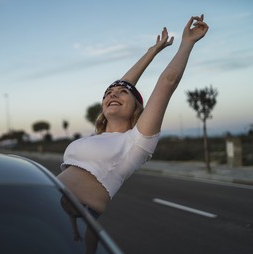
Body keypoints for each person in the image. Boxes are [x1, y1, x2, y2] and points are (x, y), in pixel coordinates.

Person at [58, 15, 209, 219]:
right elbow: (123, 83)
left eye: (122, 93)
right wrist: (152, 52)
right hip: (47, 203)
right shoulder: (96, 138)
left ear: (136, 107)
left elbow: (167, 82)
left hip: (75, 214)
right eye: (109, 93)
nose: (113, 93)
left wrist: (187, 42)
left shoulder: (137, 140)